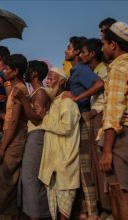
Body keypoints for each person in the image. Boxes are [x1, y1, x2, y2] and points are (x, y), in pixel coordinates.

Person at [100, 21, 128, 220]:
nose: (102, 48)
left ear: (113, 46)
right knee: (117, 191)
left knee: (121, 193)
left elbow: (114, 111)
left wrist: (107, 150)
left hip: (121, 136)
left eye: (104, 43)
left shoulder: (118, 69)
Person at [63, 36, 104, 220]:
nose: (66, 51)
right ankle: (86, 209)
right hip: (77, 119)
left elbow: (99, 84)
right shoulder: (74, 71)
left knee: (85, 166)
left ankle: (93, 212)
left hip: (84, 117)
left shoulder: (80, 69)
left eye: (69, 48)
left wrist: (77, 98)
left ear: (78, 52)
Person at [39, 67, 81, 220]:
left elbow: (65, 128)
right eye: (47, 78)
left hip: (64, 162)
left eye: (52, 78)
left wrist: (44, 117)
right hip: (54, 163)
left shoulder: (67, 102)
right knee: (55, 209)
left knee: (64, 211)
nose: (48, 81)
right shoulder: (55, 102)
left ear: (62, 81)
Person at [0, 54, 29, 220]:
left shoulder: (20, 89)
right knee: (8, 180)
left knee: (5, 180)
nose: (4, 71)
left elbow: (14, 123)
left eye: (7, 69)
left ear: (16, 71)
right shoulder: (14, 88)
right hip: (11, 136)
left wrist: (2, 148)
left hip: (14, 137)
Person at [15, 60, 51, 220]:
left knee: (30, 178)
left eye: (29, 70)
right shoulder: (35, 93)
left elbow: (37, 119)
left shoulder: (41, 92)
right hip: (33, 135)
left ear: (35, 73)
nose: (26, 72)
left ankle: (36, 215)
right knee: (28, 177)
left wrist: (23, 100)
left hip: (37, 135)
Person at [79, 38, 111, 212]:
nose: (81, 55)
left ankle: (108, 207)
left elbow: (103, 96)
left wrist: (77, 98)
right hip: (94, 116)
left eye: (83, 52)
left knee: (100, 164)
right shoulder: (94, 70)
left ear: (91, 54)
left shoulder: (103, 71)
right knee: (92, 163)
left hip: (99, 117)